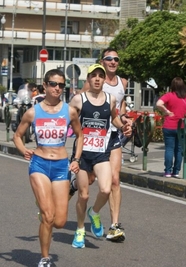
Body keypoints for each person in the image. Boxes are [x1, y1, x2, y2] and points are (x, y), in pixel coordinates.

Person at [13, 69, 83, 267]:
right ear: (45, 86)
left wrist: (76, 159)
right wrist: (23, 150)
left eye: (61, 85)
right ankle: (44, 258)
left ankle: (44, 210)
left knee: (59, 222)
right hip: (39, 164)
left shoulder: (69, 111)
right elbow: (17, 135)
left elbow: (80, 135)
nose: (58, 88)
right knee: (48, 216)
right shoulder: (33, 112)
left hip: (61, 166)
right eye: (53, 84)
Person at [70, 48, 132, 242]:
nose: (113, 61)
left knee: (112, 182)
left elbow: (117, 111)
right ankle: (74, 191)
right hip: (85, 145)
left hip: (109, 140)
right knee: (85, 188)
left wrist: (125, 125)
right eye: (109, 58)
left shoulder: (122, 83)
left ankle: (113, 225)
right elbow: (73, 113)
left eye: (116, 59)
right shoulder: (82, 96)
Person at [155, 77, 186, 178]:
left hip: (169, 126)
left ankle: (167, 171)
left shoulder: (169, 95)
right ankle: (176, 171)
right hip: (182, 127)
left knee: (169, 149)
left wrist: (167, 111)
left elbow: (158, 103)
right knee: (179, 149)